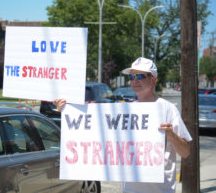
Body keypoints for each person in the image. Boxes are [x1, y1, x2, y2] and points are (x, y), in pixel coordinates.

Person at [54, 57, 192, 193]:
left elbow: (185, 152)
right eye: (131, 77)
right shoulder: (125, 109)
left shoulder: (167, 109)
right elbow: (95, 130)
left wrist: (171, 135)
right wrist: (67, 112)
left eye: (140, 76)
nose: (134, 81)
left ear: (153, 79)